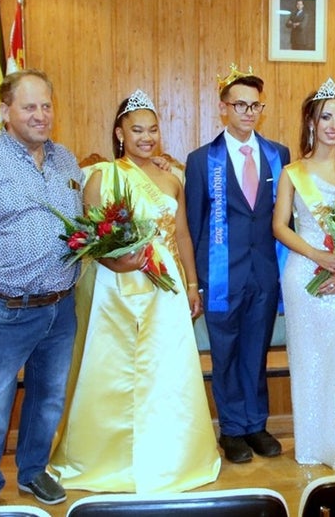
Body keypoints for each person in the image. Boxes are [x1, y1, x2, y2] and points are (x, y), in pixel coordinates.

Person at [49, 89, 220, 492]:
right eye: (137, 130)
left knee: (167, 370)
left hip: (166, 287)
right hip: (115, 285)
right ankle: (104, 458)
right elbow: (92, 237)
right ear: (120, 133)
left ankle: (172, 457)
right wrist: (120, 261)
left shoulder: (172, 177)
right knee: (111, 371)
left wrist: (193, 285)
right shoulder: (103, 176)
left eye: (153, 130)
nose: (146, 137)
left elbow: (181, 236)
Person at [0, 69, 82, 507]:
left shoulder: (67, 160)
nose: (41, 115)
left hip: (61, 308)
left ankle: (32, 472)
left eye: (46, 105)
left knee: (48, 399)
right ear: (6, 111)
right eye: (30, 106)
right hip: (4, 309)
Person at [185, 65, 290, 464]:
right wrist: (196, 281)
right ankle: (231, 429)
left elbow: (286, 220)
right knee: (225, 352)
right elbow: (193, 224)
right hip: (221, 274)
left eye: (255, 105)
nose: (248, 112)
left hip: (264, 271)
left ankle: (256, 424)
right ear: (223, 108)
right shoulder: (200, 161)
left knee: (256, 351)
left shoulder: (278, 155)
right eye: (240, 104)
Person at [273, 78, 335, 468]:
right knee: (313, 361)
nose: (334, 124)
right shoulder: (292, 173)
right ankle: (320, 441)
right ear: (311, 122)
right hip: (304, 275)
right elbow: (280, 226)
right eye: (326, 117)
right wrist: (317, 253)